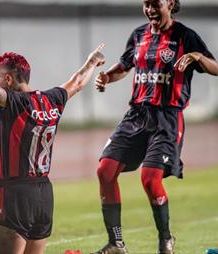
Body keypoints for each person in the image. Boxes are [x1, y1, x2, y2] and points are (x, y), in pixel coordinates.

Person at [0, 45, 106, 253]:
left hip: (15, 193)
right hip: (44, 195)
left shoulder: (15, 102)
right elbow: (77, 82)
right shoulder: (52, 99)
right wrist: (92, 61)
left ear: (9, 80)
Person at [92, 0, 218, 253]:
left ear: (170, 3)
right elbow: (125, 66)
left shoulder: (185, 36)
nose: (150, 9)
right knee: (105, 171)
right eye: (146, 4)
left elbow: (215, 68)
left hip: (167, 118)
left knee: (150, 179)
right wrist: (107, 77)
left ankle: (165, 239)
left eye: (155, 4)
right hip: (136, 115)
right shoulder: (139, 34)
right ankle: (116, 243)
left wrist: (196, 56)